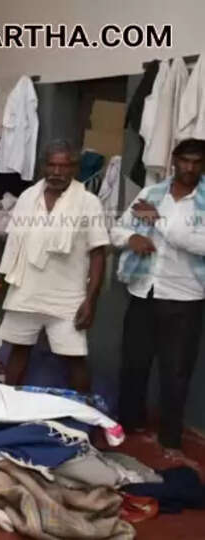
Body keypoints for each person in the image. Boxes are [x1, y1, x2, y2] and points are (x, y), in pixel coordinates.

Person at [0, 139, 109, 393]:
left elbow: (98, 253)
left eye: (63, 166)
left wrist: (91, 300)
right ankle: (8, 405)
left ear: (74, 168)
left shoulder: (88, 203)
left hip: (67, 296)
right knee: (18, 350)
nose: (56, 172)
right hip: (25, 289)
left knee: (74, 359)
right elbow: (13, 245)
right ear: (43, 167)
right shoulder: (28, 197)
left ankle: (85, 410)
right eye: (52, 165)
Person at [112, 138, 205, 466]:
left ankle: (170, 439)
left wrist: (157, 222)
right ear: (173, 161)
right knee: (133, 364)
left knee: (176, 371)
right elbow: (117, 230)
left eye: (196, 162)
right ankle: (129, 426)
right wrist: (132, 237)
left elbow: (197, 243)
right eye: (185, 160)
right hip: (144, 291)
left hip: (184, 297)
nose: (189, 168)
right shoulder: (152, 193)